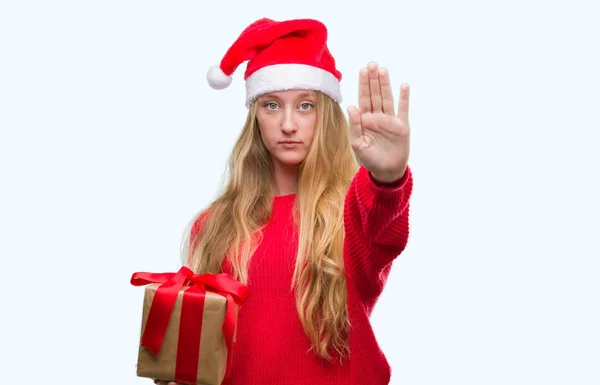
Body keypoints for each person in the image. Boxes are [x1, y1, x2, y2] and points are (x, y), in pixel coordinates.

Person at [157, 17, 413, 385]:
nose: (288, 124)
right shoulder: (214, 225)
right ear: (255, 117)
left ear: (324, 115)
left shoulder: (350, 212)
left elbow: (383, 227)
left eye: (305, 106)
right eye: (272, 106)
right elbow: (203, 351)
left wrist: (387, 179)